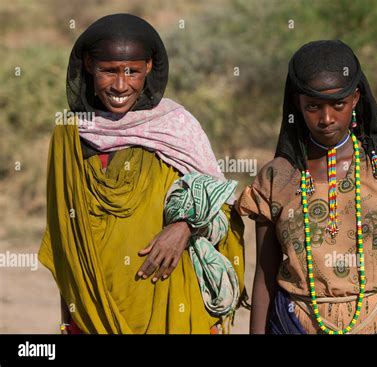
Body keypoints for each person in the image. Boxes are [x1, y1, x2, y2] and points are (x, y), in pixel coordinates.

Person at [39, 13, 246, 334]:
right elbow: (66, 237)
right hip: (93, 311)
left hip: (171, 300)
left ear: (149, 67)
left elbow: (224, 211)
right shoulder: (69, 136)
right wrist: (71, 316)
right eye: (108, 71)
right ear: (89, 66)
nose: (120, 85)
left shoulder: (176, 127)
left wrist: (185, 227)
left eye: (132, 71)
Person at [236, 40, 377, 334]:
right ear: (297, 104)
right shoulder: (276, 180)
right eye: (313, 107)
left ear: (355, 98)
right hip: (294, 323)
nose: (326, 119)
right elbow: (264, 276)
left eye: (337, 104)